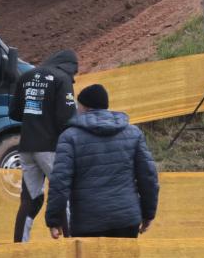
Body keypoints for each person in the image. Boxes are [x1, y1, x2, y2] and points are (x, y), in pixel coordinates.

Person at [45, 84, 159, 240]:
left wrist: (54, 219)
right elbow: (148, 177)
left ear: (84, 107)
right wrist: (148, 213)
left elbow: (60, 181)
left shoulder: (69, 137)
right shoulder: (133, 133)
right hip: (126, 219)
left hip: (87, 221)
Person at [8, 49, 78, 242]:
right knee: (64, 194)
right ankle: (73, 246)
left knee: (31, 198)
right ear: (70, 66)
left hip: (26, 146)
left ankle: (18, 249)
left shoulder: (26, 76)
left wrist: (36, 117)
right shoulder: (62, 79)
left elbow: (14, 112)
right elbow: (67, 119)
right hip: (50, 148)